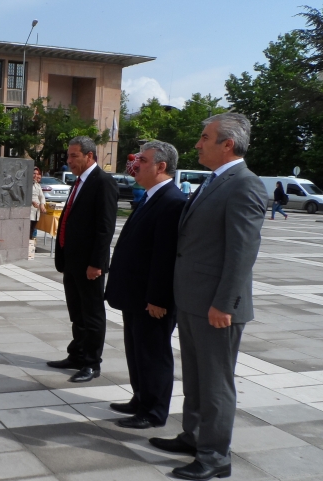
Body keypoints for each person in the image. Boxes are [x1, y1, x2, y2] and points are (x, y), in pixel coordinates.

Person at [149, 114, 267, 481]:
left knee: (216, 384)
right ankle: (195, 436)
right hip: (194, 300)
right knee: (197, 378)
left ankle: (216, 457)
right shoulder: (216, 181)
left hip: (216, 307)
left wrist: (224, 303)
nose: (198, 144)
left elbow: (242, 253)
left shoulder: (244, 185)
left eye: (204, 137)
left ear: (227, 144)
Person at [105, 141, 186, 429]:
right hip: (135, 296)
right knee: (137, 350)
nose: (135, 164)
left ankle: (153, 411)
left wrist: (158, 298)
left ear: (161, 166)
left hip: (152, 300)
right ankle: (140, 398)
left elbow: (165, 257)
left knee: (153, 354)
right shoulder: (152, 196)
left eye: (143, 159)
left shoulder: (172, 202)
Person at [48, 136, 118, 383]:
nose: (69, 161)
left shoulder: (103, 182)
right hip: (72, 262)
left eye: (74, 156)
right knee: (77, 313)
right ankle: (76, 354)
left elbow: (105, 227)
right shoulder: (79, 183)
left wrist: (97, 263)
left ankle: (91, 363)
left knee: (92, 314)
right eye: (68, 156)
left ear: (90, 156)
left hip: (89, 265)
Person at [31, 167, 46, 239]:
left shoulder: (37, 185)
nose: (35, 175)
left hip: (36, 211)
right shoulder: (28, 183)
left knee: (33, 227)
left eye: (37, 174)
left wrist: (42, 205)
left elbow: (42, 196)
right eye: (34, 173)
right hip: (30, 209)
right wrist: (32, 202)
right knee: (29, 229)